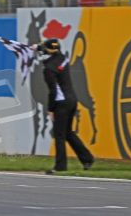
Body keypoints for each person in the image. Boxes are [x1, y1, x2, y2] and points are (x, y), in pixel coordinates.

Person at [34, 39, 94, 174]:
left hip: (61, 103)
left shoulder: (48, 69)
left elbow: (53, 91)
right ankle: (87, 159)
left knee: (59, 134)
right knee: (68, 133)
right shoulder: (63, 58)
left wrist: (50, 109)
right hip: (72, 100)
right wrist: (38, 47)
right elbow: (51, 49)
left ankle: (60, 166)